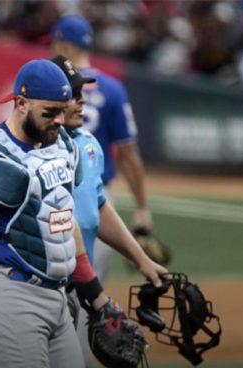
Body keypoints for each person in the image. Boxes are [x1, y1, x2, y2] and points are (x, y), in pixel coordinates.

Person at [0, 55, 166, 368]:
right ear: (21, 103)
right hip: (10, 297)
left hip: (59, 298)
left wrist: (96, 296)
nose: (58, 121)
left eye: (61, 113)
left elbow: (66, 225)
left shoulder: (61, 145)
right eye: (49, 113)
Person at [50, 15, 154, 286]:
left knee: (52, 279)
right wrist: (142, 206)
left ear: (64, 47)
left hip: (49, 189)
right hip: (98, 197)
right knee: (92, 285)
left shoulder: (48, 87)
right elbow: (129, 154)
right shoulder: (113, 89)